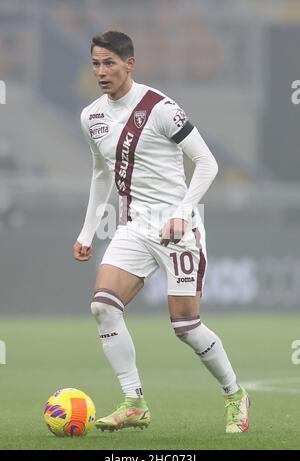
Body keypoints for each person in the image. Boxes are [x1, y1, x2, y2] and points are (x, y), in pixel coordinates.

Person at [74, 31, 250, 434]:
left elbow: (207, 164)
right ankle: (133, 401)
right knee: (103, 306)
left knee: (185, 327)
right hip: (133, 226)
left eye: (109, 63)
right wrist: (86, 233)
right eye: (96, 64)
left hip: (177, 229)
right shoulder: (91, 117)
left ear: (129, 64)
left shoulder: (160, 108)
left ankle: (235, 394)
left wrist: (183, 214)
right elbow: (100, 176)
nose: (101, 71)